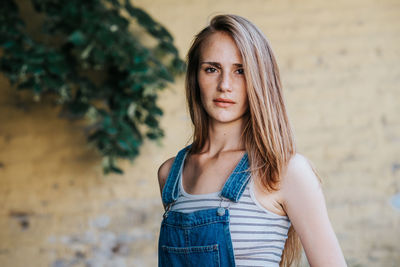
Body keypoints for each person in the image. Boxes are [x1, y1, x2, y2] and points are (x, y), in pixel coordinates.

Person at [157, 14, 347, 267]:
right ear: (195, 78)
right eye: (211, 69)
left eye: (241, 71)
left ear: (260, 80)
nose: (225, 85)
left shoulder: (284, 170)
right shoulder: (171, 174)